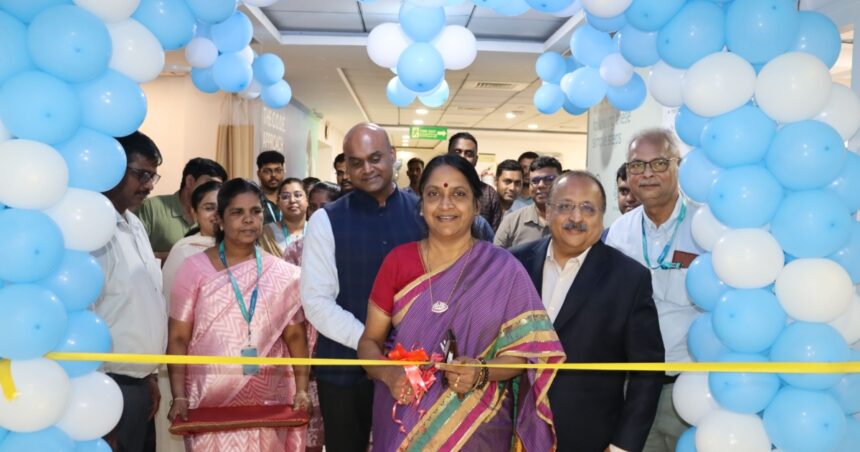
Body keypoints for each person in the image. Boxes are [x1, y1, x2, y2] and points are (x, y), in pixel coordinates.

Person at [357, 154, 565, 451]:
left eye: (458, 194)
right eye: (433, 194)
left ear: (477, 205)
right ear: (421, 204)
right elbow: (369, 342)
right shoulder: (398, 262)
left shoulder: (504, 268)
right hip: (404, 418)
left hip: (479, 427)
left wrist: (481, 371)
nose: (445, 205)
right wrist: (389, 374)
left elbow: (526, 355)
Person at [511, 171, 664, 452]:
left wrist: (622, 446)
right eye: (565, 206)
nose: (576, 217)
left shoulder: (629, 279)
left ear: (602, 217)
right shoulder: (513, 264)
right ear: (547, 210)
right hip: (509, 434)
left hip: (587, 439)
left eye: (588, 208)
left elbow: (648, 373)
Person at [301, 123, 425, 452]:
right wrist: (372, 345)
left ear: (393, 156)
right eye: (356, 162)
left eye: (375, 158)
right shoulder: (325, 220)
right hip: (343, 369)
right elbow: (316, 301)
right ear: (346, 167)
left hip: (414, 366)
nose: (367, 169)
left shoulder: (424, 214)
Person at [166, 178, 311, 451]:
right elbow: (178, 338)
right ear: (219, 219)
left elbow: (295, 335)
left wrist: (302, 389)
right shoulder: (194, 269)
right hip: (210, 397)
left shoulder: (281, 273)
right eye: (237, 212)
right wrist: (179, 396)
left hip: (269, 397)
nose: (248, 220)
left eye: (255, 212)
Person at [605, 128, 704, 452]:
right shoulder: (619, 232)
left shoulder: (704, 227)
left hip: (692, 387)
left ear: (678, 165)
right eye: (637, 165)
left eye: (659, 163)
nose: (647, 174)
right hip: (634, 391)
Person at [94, 131, 167, 452]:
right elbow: (86, 318)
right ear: (112, 167)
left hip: (138, 384)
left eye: (153, 176)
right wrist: (100, 407)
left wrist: (150, 375)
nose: (149, 186)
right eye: (142, 174)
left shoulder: (134, 224)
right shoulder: (94, 229)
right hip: (108, 386)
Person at [156, 180, 221, 452]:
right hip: (187, 360)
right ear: (193, 212)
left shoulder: (241, 249)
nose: (216, 215)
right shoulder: (185, 251)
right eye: (208, 207)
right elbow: (169, 310)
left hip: (226, 367)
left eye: (222, 207)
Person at [138, 157, 227, 261]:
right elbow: (135, 254)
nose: (214, 191)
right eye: (210, 184)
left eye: (218, 186)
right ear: (190, 181)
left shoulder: (219, 217)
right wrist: (181, 255)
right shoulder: (152, 207)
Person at [494, 156, 562, 249]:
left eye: (549, 179)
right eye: (535, 180)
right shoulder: (511, 222)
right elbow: (495, 256)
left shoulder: (574, 220)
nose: (540, 185)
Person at [447, 132, 502, 229]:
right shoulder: (434, 189)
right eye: (457, 152)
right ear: (448, 156)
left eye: (469, 154)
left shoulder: (489, 194)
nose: (462, 157)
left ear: (476, 160)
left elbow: (494, 233)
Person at [260, 177, 307, 257]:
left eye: (298, 195)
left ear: (307, 200)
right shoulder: (265, 234)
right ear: (278, 202)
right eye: (285, 197)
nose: (292, 200)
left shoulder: (316, 231)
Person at [602, 162, 641, 241]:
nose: (630, 198)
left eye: (636, 191)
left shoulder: (661, 236)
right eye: (624, 191)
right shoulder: (607, 238)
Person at [256, 150, 286, 224]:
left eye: (278, 170)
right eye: (267, 171)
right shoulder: (254, 199)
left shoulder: (289, 199)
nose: (273, 175)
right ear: (258, 173)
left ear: (283, 172)